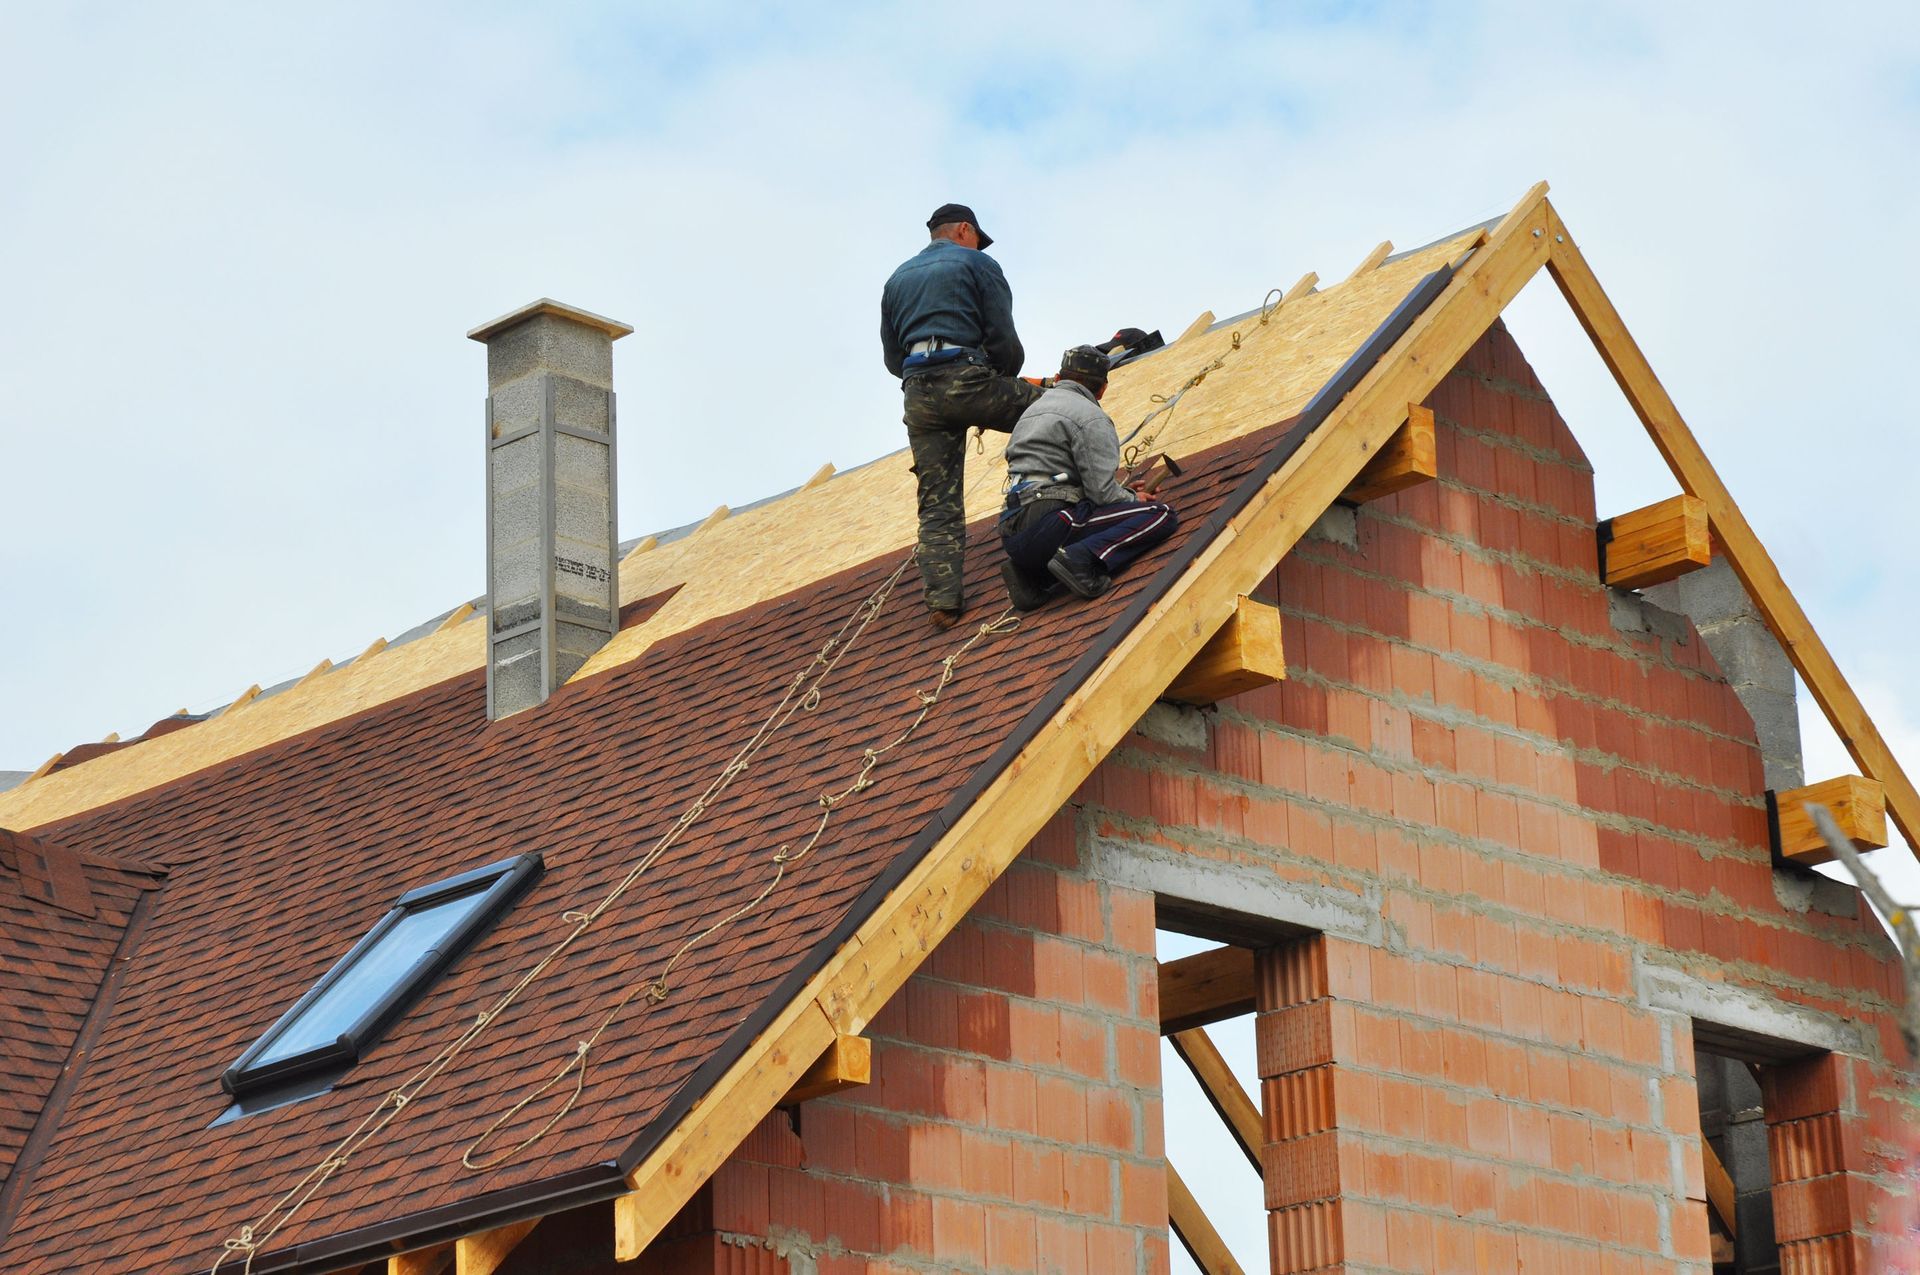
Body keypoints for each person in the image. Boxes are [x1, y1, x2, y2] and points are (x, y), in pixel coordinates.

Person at [881, 203, 1044, 628]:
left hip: (918, 394)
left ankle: (943, 602)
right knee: (1054, 409)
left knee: (937, 503)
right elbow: (1003, 338)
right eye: (975, 237)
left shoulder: (897, 278)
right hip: (966, 377)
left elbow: (892, 356)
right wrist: (998, 382)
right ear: (964, 230)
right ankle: (1069, 511)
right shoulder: (977, 263)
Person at [998, 346, 1178, 609]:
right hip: (1052, 521)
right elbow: (1102, 495)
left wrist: (1123, 491)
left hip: (1013, 532)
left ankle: (1033, 575)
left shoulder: (1031, 413)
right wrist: (1130, 499)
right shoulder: (1090, 416)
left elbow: (1058, 476)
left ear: (1059, 378)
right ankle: (1080, 559)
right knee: (1160, 514)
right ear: (1102, 389)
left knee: (1082, 524)